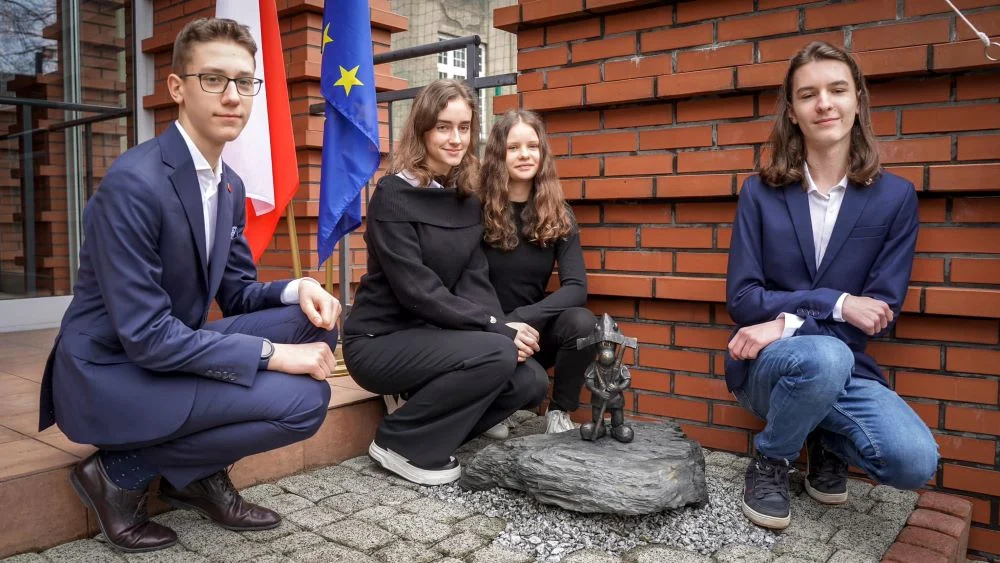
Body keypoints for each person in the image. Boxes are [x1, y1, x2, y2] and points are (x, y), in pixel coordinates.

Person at [37, 18, 342, 553]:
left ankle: (194, 476)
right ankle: (118, 472)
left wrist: (299, 288)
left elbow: (238, 293)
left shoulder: (228, 185)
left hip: (165, 351)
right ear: (177, 87)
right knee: (303, 400)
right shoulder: (135, 184)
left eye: (245, 81)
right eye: (214, 79)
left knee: (313, 323)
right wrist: (272, 355)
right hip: (111, 371)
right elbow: (147, 337)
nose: (233, 96)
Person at [725, 41, 938, 530]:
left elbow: (878, 314)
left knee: (914, 460)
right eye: (808, 94)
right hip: (768, 367)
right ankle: (772, 458)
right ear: (792, 111)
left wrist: (784, 321)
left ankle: (825, 438)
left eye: (837, 90)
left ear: (857, 101)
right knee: (825, 355)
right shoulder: (760, 193)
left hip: (846, 366)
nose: (824, 103)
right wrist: (835, 302)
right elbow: (742, 299)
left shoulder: (895, 198)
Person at [342, 79, 548, 486]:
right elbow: (417, 291)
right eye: (443, 127)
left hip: (434, 337)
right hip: (379, 341)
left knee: (530, 381)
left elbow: (474, 281)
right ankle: (399, 442)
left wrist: (503, 326)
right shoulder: (392, 196)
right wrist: (495, 329)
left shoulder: (465, 197)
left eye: (464, 127)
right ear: (422, 129)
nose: (456, 139)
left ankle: (424, 420)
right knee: (497, 353)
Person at [479, 109, 596, 437]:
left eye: (532, 146)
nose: (524, 154)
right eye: (513, 147)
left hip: (530, 330)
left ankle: (559, 411)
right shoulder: (477, 209)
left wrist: (521, 317)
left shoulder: (558, 212)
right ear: (499, 155)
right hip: (484, 328)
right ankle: (493, 406)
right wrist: (500, 325)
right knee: (529, 385)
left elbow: (576, 287)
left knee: (583, 323)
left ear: (542, 153)